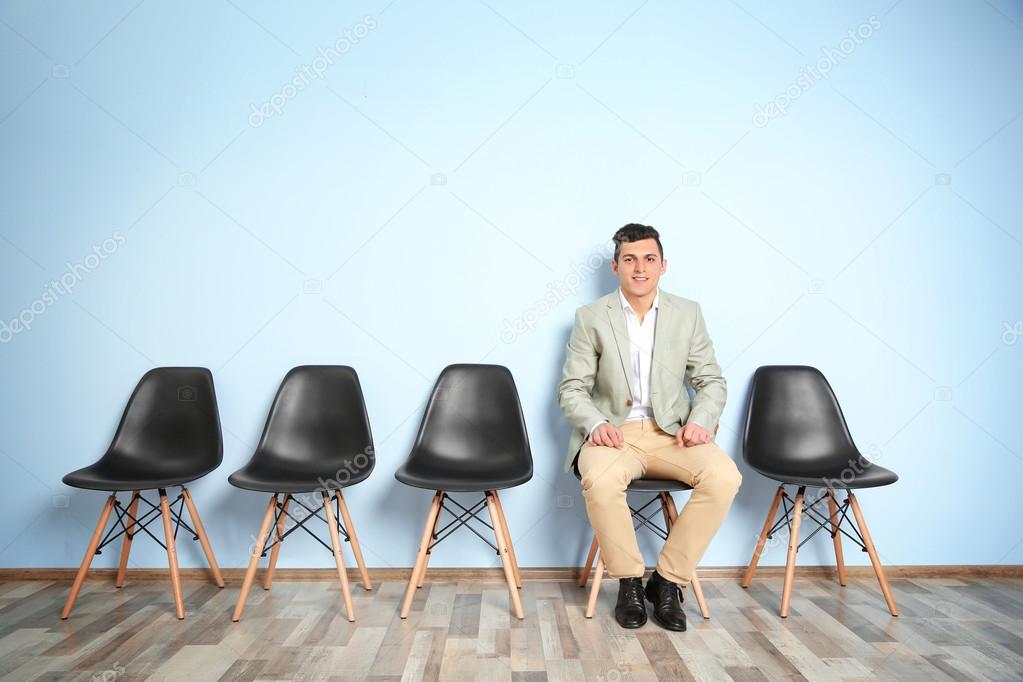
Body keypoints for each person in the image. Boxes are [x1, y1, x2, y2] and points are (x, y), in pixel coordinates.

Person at [558, 223, 742, 631]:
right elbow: (572, 389)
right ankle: (628, 584)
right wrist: (597, 423)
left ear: (663, 265)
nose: (639, 268)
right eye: (630, 259)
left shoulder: (688, 312)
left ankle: (667, 581)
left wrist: (700, 421)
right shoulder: (591, 317)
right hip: (615, 436)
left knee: (725, 477)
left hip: (672, 434)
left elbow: (710, 380)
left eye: (649, 259)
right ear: (615, 266)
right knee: (601, 482)